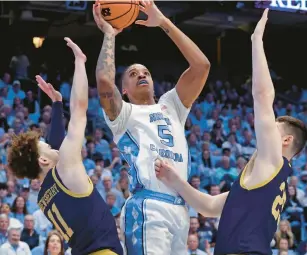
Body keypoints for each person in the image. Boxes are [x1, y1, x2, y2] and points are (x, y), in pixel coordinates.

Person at [155, 9, 307, 255]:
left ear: (286, 140)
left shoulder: (273, 161)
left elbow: (262, 96)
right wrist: (174, 180)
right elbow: (211, 206)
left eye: (273, 127)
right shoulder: (263, 180)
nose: (264, 129)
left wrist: (256, 41)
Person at [92, 0, 210, 254]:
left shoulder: (172, 105)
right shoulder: (124, 114)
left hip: (181, 209)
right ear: (124, 90)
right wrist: (110, 35)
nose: (142, 75)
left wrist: (164, 23)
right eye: (133, 74)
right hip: (148, 207)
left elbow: (202, 66)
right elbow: (103, 80)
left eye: (145, 72)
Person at [7, 38, 123, 255]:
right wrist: (80, 62)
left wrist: (58, 105)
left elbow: (56, 145)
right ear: (43, 160)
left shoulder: (44, 194)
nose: (49, 145)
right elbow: (79, 110)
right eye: (43, 145)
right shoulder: (65, 168)